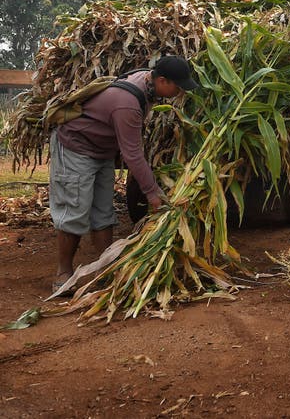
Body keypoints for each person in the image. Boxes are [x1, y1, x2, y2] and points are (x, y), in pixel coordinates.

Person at [49, 56, 198, 296]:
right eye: (178, 87)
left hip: (101, 151)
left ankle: (106, 268)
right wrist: (153, 193)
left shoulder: (147, 84)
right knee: (74, 211)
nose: (180, 92)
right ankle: (62, 274)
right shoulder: (127, 103)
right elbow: (133, 154)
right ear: (162, 80)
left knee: (103, 212)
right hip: (75, 147)